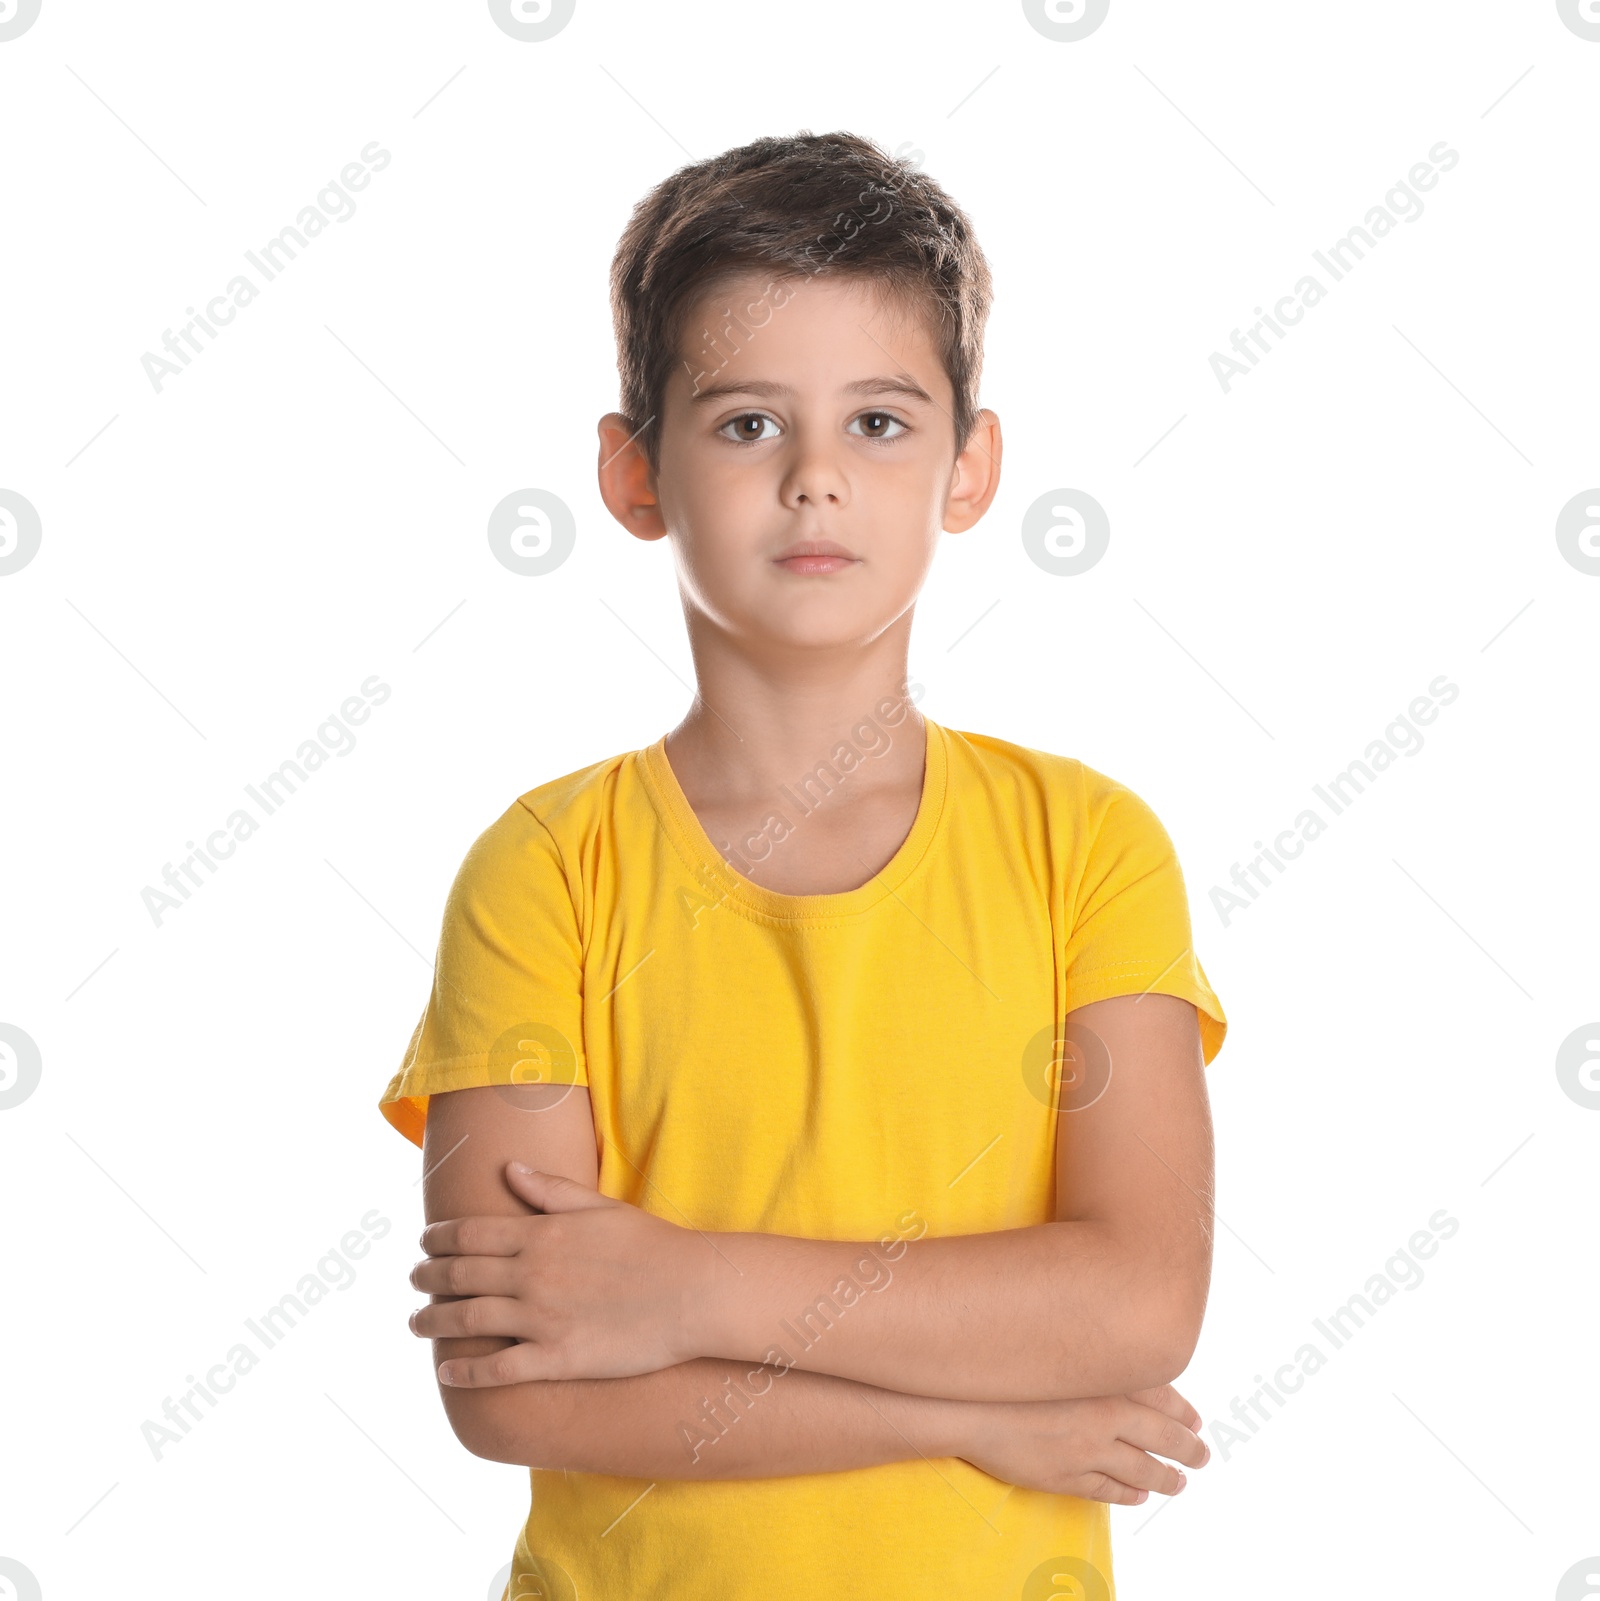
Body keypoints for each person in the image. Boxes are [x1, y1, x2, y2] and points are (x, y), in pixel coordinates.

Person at [377, 129, 1227, 1601]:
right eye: (749, 425)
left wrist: (682, 1286)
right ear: (635, 472)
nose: (818, 478)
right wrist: (975, 1411)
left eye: (881, 423)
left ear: (971, 467)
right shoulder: (542, 870)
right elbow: (514, 1385)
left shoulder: (1087, 846)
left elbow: (1137, 1301)